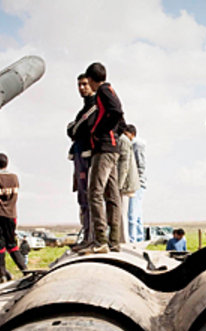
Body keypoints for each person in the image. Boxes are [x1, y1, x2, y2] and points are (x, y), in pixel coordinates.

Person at [81, 62, 124, 254]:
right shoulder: (109, 90)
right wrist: (113, 132)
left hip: (104, 149)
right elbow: (121, 119)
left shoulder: (103, 91)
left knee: (95, 193)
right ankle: (114, 241)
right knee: (112, 195)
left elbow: (117, 112)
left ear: (91, 79)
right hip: (112, 148)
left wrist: (100, 131)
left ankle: (101, 241)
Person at [0, 153, 29, 278]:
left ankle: (2, 275)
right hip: (11, 214)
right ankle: (24, 269)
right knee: (12, 244)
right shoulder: (14, 177)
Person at [66, 73, 97, 248]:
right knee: (82, 200)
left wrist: (73, 128)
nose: (82, 88)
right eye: (79, 85)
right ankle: (87, 235)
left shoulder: (93, 108)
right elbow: (73, 130)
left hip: (87, 159)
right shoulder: (83, 110)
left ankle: (91, 237)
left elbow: (80, 129)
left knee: (90, 199)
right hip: (79, 158)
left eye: (85, 84)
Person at [117, 123, 139, 242]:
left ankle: (124, 240)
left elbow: (123, 165)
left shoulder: (123, 140)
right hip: (127, 182)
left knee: (121, 213)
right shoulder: (125, 140)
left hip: (124, 184)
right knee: (122, 213)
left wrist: (119, 184)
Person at [124, 124, 146, 243]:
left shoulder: (136, 144)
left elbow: (140, 164)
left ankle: (133, 239)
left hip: (136, 182)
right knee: (137, 214)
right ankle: (138, 238)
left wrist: (136, 179)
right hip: (137, 182)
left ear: (132, 134)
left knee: (132, 214)